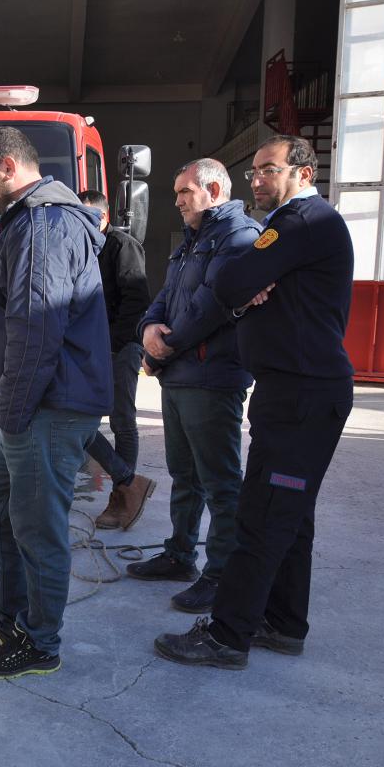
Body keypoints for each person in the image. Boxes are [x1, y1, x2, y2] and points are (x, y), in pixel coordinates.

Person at [155, 135, 353, 669]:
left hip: (301, 396)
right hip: (295, 393)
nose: (258, 180)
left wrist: (247, 286)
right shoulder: (290, 230)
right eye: (256, 172)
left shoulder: (301, 222)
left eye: (270, 169)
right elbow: (240, 287)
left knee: (263, 516)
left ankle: (227, 635)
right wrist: (246, 292)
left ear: (304, 174)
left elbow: (236, 277)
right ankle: (282, 623)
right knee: (291, 516)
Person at [0, 127, 112, 678]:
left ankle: (40, 641)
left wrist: (9, 408)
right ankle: (12, 611)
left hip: (42, 407)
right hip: (30, 403)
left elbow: (37, 327)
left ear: (7, 166)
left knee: (37, 527)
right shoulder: (30, 223)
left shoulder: (44, 227)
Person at [127, 159, 260, 614]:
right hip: (180, 375)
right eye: (177, 191)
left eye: (185, 191)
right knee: (185, 476)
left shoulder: (238, 238)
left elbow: (211, 307)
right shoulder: (193, 241)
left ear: (215, 189)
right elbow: (165, 297)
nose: (178, 199)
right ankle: (180, 555)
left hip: (210, 377)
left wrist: (165, 347)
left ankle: (220, 576)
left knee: (220, 483)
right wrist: (149, 330)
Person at [77, 190, 156, 530]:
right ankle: (128, 482)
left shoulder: (122, 246)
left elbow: (136, 299)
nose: (82, 224)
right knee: (78, 422)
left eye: (87, 217)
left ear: (103, 217)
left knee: (122, 420)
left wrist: (115, 345)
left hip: (118, 348)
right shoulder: (81, 247)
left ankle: (121, 497)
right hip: (89, 349)